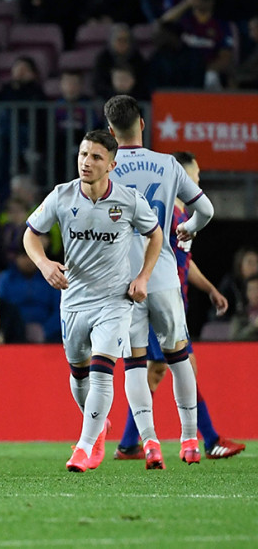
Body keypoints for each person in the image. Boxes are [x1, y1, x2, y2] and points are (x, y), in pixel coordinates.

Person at [23, 130, 163, 473]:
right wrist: (44, 264)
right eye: (83, 154)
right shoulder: (62, 195)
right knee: (79, 371)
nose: (86, 162)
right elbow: (30, 234)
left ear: (111, 165)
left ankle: (85, 447)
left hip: (115, 300)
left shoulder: (128, 201)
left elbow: (155, 234)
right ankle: (97, 427)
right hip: (73, 300)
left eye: (96, 157)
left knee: (102, 369)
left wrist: (143, 276)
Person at [105, 95, 215, 467]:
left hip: (125, 282)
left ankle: (150, 444)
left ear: (110, 131)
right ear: (142, 124)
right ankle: (189, 442)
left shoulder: (106, 168)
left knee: (135, 365)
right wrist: (188, 228)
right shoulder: (168, 164)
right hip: (165, 274)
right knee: (180, 359)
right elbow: (205, 210)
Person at [114, 150, 245, 460]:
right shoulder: (171, 215)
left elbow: (183, 259)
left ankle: (129, 444)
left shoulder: (181, 216)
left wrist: (209, 288)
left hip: (169, 299)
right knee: (181, 366)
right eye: (195, 173)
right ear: (184, 176)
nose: (198, 178)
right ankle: (210, 439)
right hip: (160, 300)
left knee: (156, 370)